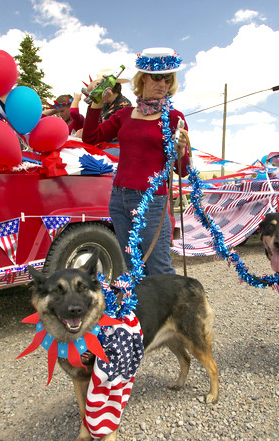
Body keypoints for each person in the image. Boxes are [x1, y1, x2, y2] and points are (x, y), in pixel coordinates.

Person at [82, 47, 190, 275]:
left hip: (151, 202)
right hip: (119, 197)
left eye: (168, 78)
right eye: (157, 77)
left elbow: (184, 171)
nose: (163, 84)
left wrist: (181, 151)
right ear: (143, 79)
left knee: (158, 268)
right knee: (131, 268)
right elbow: (90, 137)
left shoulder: (174, 118)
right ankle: (140, 311)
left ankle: (168, 311)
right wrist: (96, 104)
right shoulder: (125, 114)